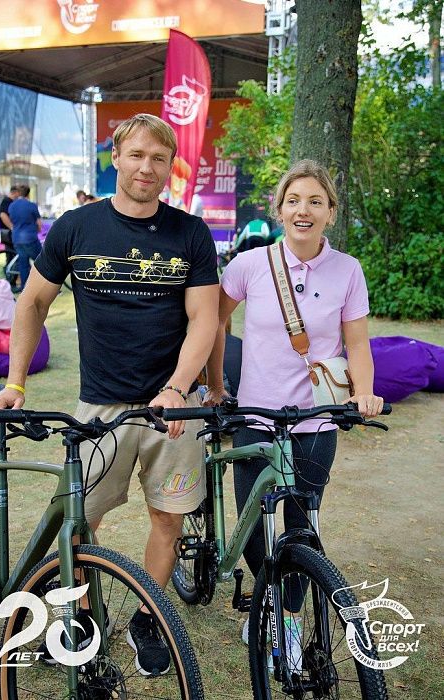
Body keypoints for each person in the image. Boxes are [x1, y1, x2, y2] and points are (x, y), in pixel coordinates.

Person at [0, 113, 219, 675]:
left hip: (173, 406)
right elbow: (32, 302)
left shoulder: (191, 233)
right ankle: (87, 614)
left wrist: (177, 388)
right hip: (100, 406)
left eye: (159, 158)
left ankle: (148, 618)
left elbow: (204, 319)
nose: (147, 167)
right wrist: (15, 382)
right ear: (115, 157)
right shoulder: (76, 227)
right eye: (136, 154)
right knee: (79, 521)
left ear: (170, 167)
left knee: (168, 518)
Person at [205, 159, 383, 662]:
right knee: (253, 521)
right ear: (279, 209)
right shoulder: (248, 264)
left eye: (315, 202)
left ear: (331, 212)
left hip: (314, 420)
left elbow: (357, 343)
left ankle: (288, 618)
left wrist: (364, 393)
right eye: (294, 201)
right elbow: (214, 322)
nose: (304, 210)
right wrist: (215, 383)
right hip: (255, 416)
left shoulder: (348, 270)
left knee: (302, 526)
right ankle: (263, 596)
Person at [8, 185, 42, 290]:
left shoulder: (12, 205)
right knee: (42, 262)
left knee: (23, 264)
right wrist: (37, 230)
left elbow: (11, 220)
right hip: (30, 237)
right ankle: (47, 287)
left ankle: (24, 287)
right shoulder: (31, 205)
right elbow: (39, 223)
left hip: (17, 238)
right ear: (28, 193)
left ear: (19, 193)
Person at [0, 185, 19, 270]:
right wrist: (12, 228)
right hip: (8, 233)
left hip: (9, 232)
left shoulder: (10, 202)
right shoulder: (7, 201)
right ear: (15, 192)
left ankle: (11, 273)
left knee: (13, 255)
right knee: (11, 255)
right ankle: (9, 274)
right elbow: (3, 215)